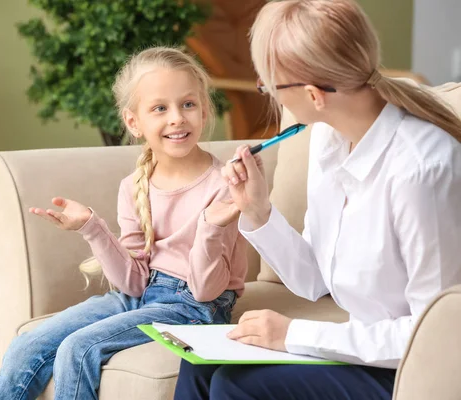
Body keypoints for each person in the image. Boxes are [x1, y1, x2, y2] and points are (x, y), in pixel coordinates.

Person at [174, 1, 461, 399]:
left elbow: (436, 335)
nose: (268, 94)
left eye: (268, 85)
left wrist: (295, 334)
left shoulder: (421, 169)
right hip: (369, 350)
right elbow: (315, 280)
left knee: (235, 386)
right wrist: (258, 211)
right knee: (198, 363)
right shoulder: (328, 139)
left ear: (313, 94)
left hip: (420, 370)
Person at [0, 46, 248, 400]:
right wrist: (91, 227)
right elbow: (134, 283)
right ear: (133, 122)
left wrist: (212, 228)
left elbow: (205, 291)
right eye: (160, 108)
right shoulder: (133, 186)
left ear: (204, 110)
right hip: (144, 296)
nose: (177, 118)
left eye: (188, 104)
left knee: (79, 349)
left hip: (196, 307)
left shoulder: (224, 186)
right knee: (27, 346)